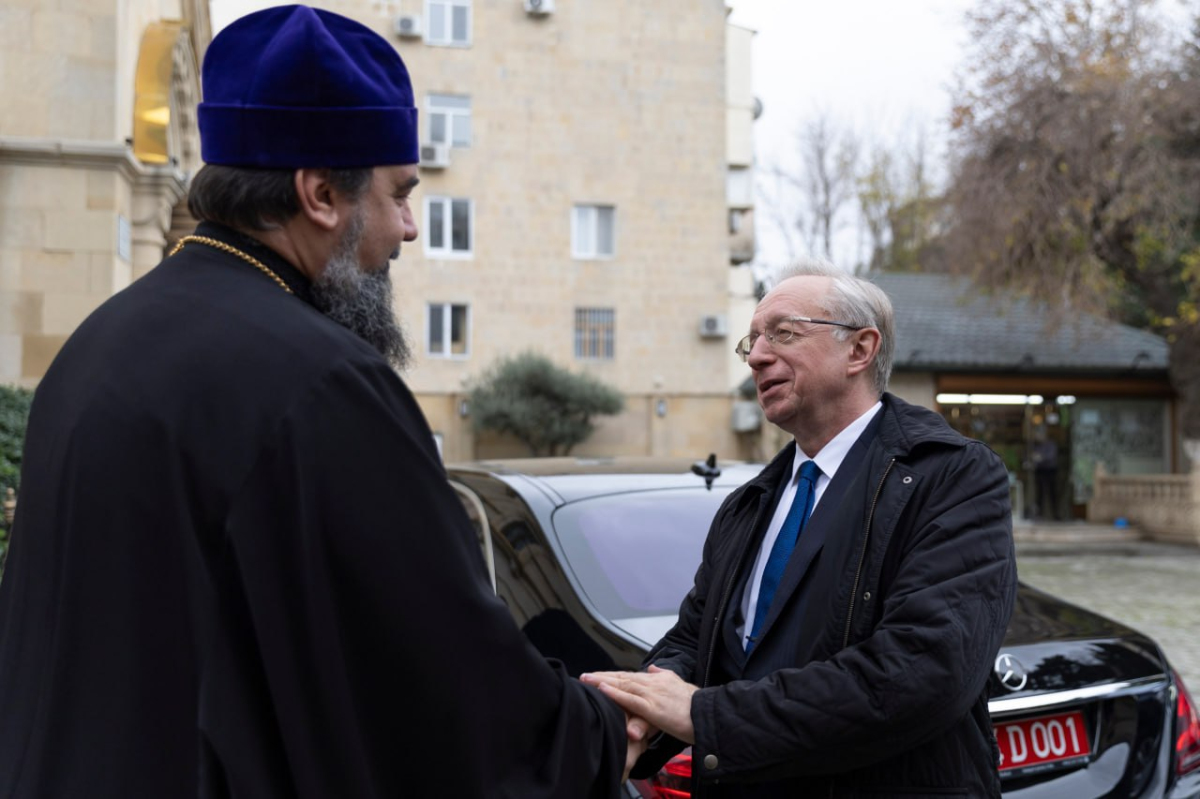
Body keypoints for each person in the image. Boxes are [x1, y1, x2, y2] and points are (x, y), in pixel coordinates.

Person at [0, 6, 641, 796]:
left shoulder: (96, 342)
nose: (409, 229)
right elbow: (436, 683)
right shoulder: (322, 382)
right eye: (400, 193)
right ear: (321, 194)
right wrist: (598, 727)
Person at [584, 258, 1018, 797]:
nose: (757, 356)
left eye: (783, 333)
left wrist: (705, 715)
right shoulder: (751, 502)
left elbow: (923, 671)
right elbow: (697, 639)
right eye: (752, 341)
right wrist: (638, 717)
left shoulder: (953, 476)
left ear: (859, 349)